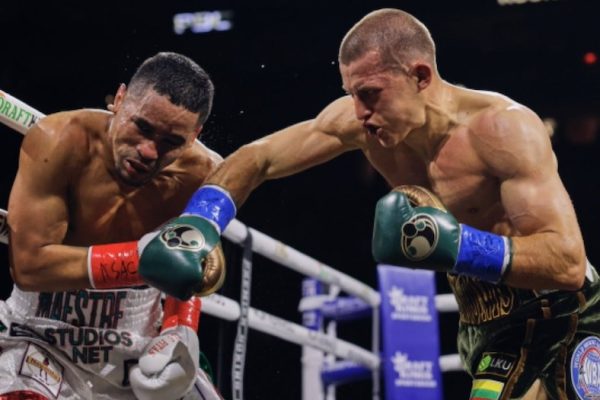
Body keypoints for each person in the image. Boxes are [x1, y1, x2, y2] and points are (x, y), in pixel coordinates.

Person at [155, 8, 600, 400]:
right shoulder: (363, 125)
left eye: (369, 93)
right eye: (351, 94)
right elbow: (259, 157)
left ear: (420, 77)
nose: (359, 111)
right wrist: (199, 223)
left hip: (557, 308)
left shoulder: (502, 130)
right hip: (483, 316)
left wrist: (457, 247)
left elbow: (566, 262)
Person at [0, 52, 224, 399]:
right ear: (119, 100)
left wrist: (180, 328)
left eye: (171, 142)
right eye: (142, 127)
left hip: (138, 340)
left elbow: (197, 267)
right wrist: (140, 259)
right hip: (39, 330)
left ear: (195, 135)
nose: (149, 151)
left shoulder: (203, 175)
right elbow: (28, 267)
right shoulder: (61, 140)